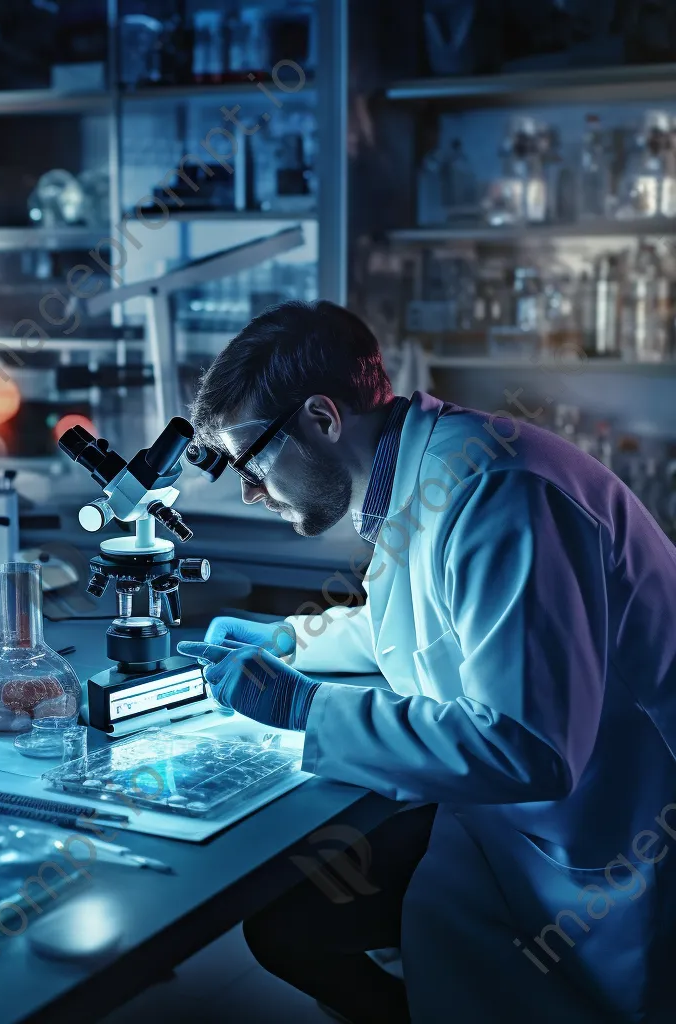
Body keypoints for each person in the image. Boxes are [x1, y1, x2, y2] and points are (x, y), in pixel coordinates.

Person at [176, 300, 676, 1024]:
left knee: (305, 928)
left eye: (250, 462)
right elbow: (431, 619)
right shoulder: (432, 470)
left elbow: (527, 747)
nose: (250, 490)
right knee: (296, 929)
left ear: (321, 418)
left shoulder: (497, 491)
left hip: (615, 842)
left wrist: (302, 706)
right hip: (524, 833)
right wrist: (291, 640)